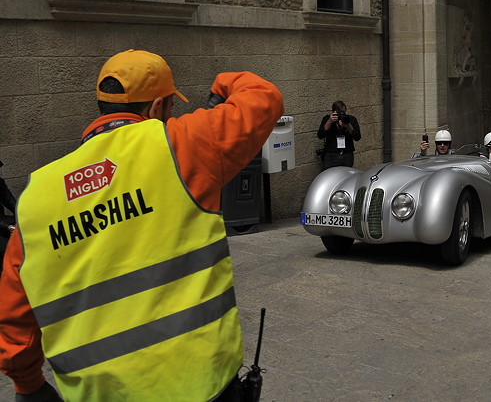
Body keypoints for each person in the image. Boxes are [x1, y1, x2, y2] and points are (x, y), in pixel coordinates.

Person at [0, 50, 284, 401]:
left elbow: (15, 310)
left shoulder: (35, 195)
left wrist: (27, 383)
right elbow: (264, 98)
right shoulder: (180, 145)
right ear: (157, 108)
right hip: (199, 386)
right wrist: (222, 83)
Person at [317, 101, 361, 170]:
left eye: (343, 112)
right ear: (334, 112)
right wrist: (329, 122)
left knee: (347, 176)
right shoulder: (327, 119)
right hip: (331, 155)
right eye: (339, 113)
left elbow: (357, 137)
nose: (341, 115)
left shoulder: (351, 119)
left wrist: (348, 125)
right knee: (330, 176)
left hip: (347, 154)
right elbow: (320, 135)